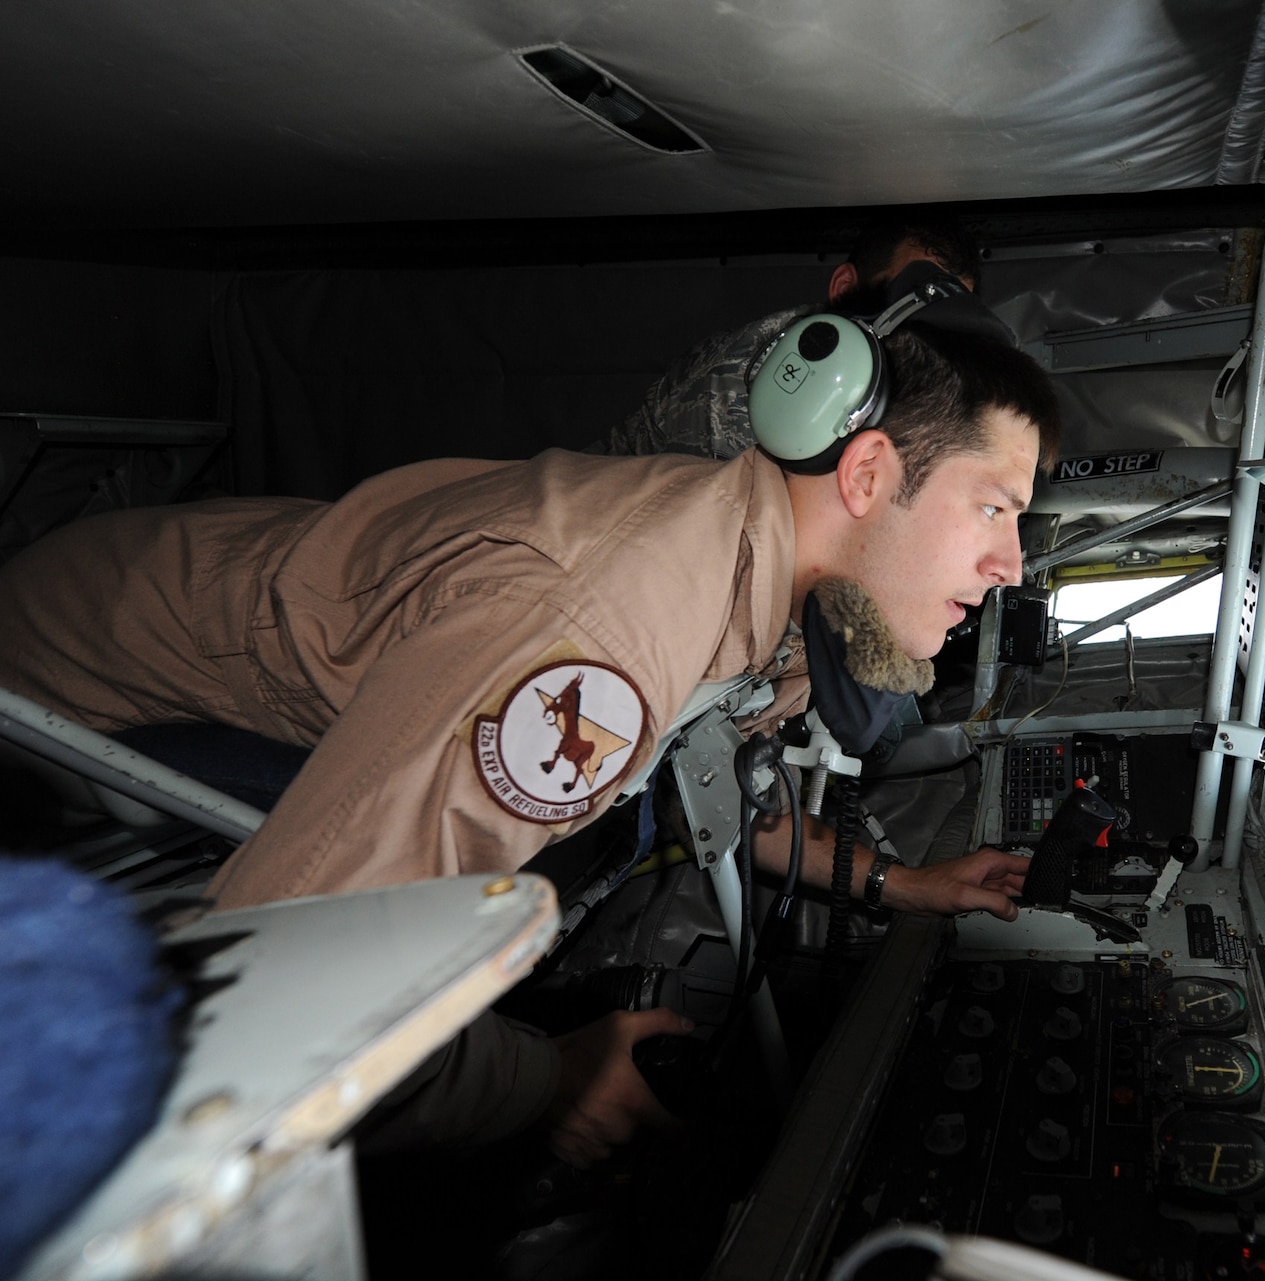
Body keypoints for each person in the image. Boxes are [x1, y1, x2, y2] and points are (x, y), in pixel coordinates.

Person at [0, 320, 1059, 1167]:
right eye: (993, 507)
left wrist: (904, 884)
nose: (1011, 562)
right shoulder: (614, 627)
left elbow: (718, 788)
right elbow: (279, 982)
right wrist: (548, 1079)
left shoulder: (777, 597)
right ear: (867, 475)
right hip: (64, 673)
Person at [587, 215, 982, 461]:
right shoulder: (754, 379)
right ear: (845, 289)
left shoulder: (878, 381)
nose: (921, 332)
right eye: (905, 301)